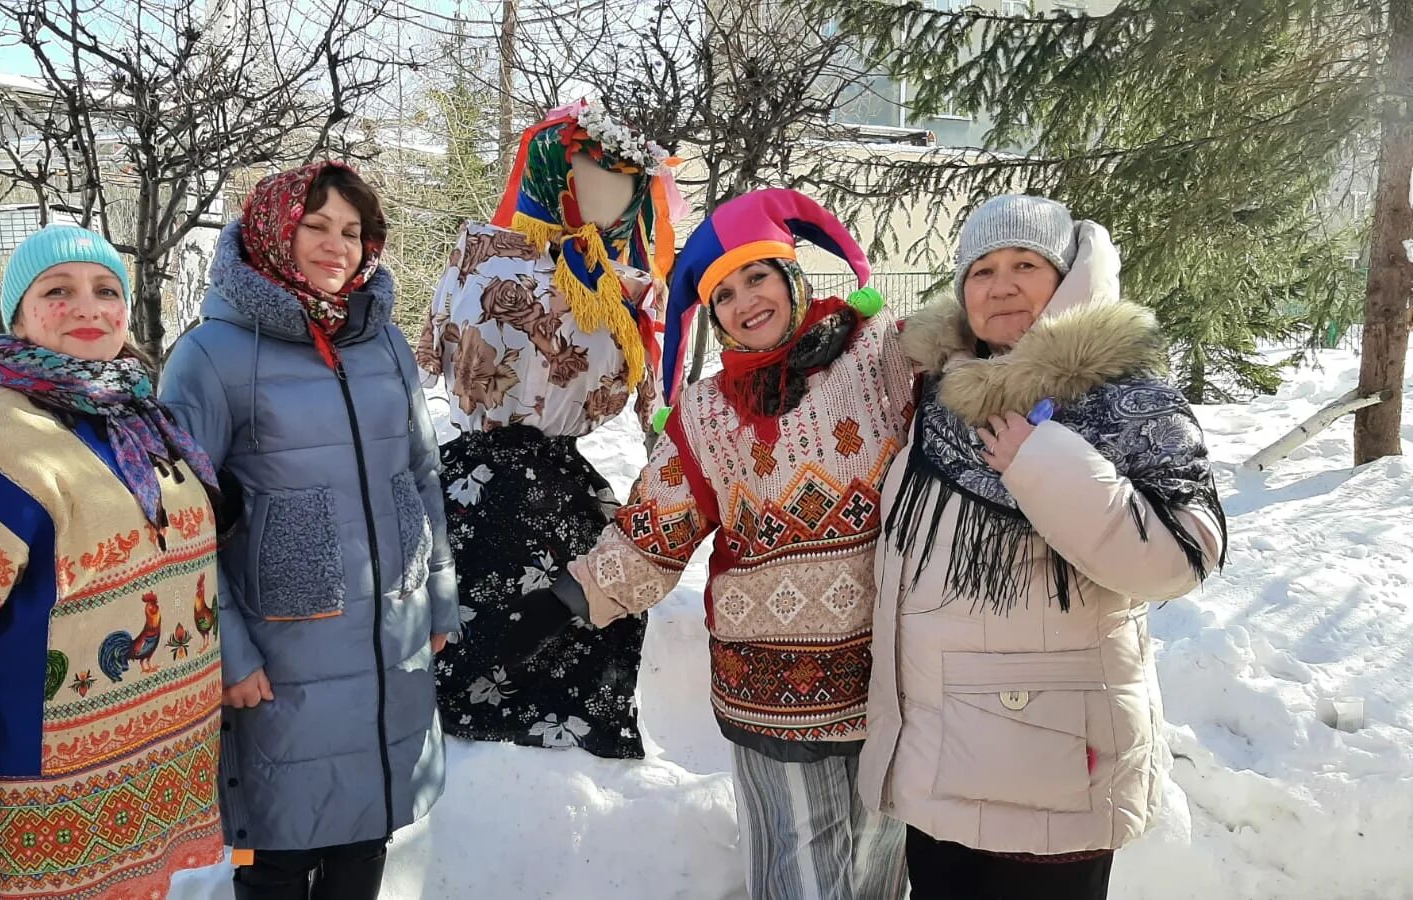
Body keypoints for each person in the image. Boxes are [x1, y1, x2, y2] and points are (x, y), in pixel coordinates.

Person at [518, 189, 914, 899]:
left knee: (880, 862)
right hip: (770, 689)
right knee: (799, 872)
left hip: (889, 674)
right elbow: (653, 534)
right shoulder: (704, 412)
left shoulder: (880, 354)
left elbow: (981, 376)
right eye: (723, 293)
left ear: (793, 276)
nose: (744, 301)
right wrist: (557, 606)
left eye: (757, 275)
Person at [858, 195, 1228, 900]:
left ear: (1067, 277)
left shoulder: (1123, 395)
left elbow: (1183, 554)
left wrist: (1043, 463)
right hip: (940, 761)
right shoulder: (942, 390)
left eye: (1025, 264)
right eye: (982, 270)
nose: (1000, 285)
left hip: (1052, 769)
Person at [0, 225, 225, 899]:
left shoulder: (145, 424)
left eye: (106, 290)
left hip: (148, 797)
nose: (89, 307)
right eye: (59, 291)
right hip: (41, 821)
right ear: (18, 316)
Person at [158, 161, 457, 900]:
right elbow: (177, 521)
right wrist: (226, 651)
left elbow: (420, 473)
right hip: (281, 655)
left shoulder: (380, 340)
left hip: (390, 634)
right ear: (272, 229)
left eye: (352, 231)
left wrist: (439, 598)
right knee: (283, 853)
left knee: (366, 837)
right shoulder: (210, 355)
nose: (337, 246)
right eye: (315, 225)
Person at [417, 99, 679, 760]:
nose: (609, 197)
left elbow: (643, 398)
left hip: (563, 481)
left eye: (625, 186)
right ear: (555, 174)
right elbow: (432, 354)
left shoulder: (624, 292)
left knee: (580, 610)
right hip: (471, 476)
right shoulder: (480, 257)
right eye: (593, 174)